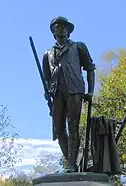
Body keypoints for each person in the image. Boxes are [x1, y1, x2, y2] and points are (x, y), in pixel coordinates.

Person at [42, 16, 95, 172]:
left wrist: (90, 91)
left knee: (73, 127)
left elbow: (90, 68)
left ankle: (71, 164)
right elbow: (47, 76)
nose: (60, 28)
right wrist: (47, 92)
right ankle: (71, 160)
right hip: (57, 93)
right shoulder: (47, 53)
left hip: (74, 90)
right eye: (56, 26)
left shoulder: (79, 47)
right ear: (52, 31)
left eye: (63, 26)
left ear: (68, 30)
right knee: (58, 130)